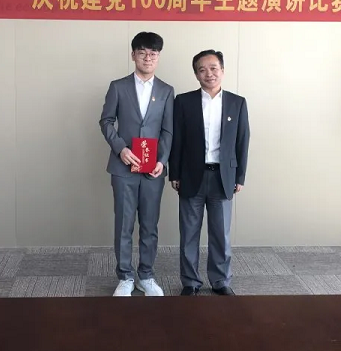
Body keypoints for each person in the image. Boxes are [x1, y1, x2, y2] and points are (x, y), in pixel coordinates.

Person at [169, 50, 250, 296]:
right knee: (189, 233)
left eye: (214, 68)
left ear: (222, 70)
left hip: (222, 177)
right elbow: (177, 140)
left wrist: (239, 176)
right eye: (202, 69)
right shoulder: (183, 102)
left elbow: (242, 141)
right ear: (196, 74)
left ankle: (220, 280)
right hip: (190, 175)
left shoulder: (237, 102)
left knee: (220, 234)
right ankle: (190, 282)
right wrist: (174, 173)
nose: (209, 73)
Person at [99, 32, 174, 297]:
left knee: (150, 225)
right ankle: (125, 277)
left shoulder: (166, 91)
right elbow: (106, 121)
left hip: (153, 170)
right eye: (142, 52)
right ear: (133, 55)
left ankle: (146, 275)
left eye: (153, 54)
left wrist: (162, 160)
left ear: (158, 57)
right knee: (124, 223)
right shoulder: (118, 87)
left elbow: (168, 130)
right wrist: (120, 148)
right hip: (123, 168)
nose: (147, 58)